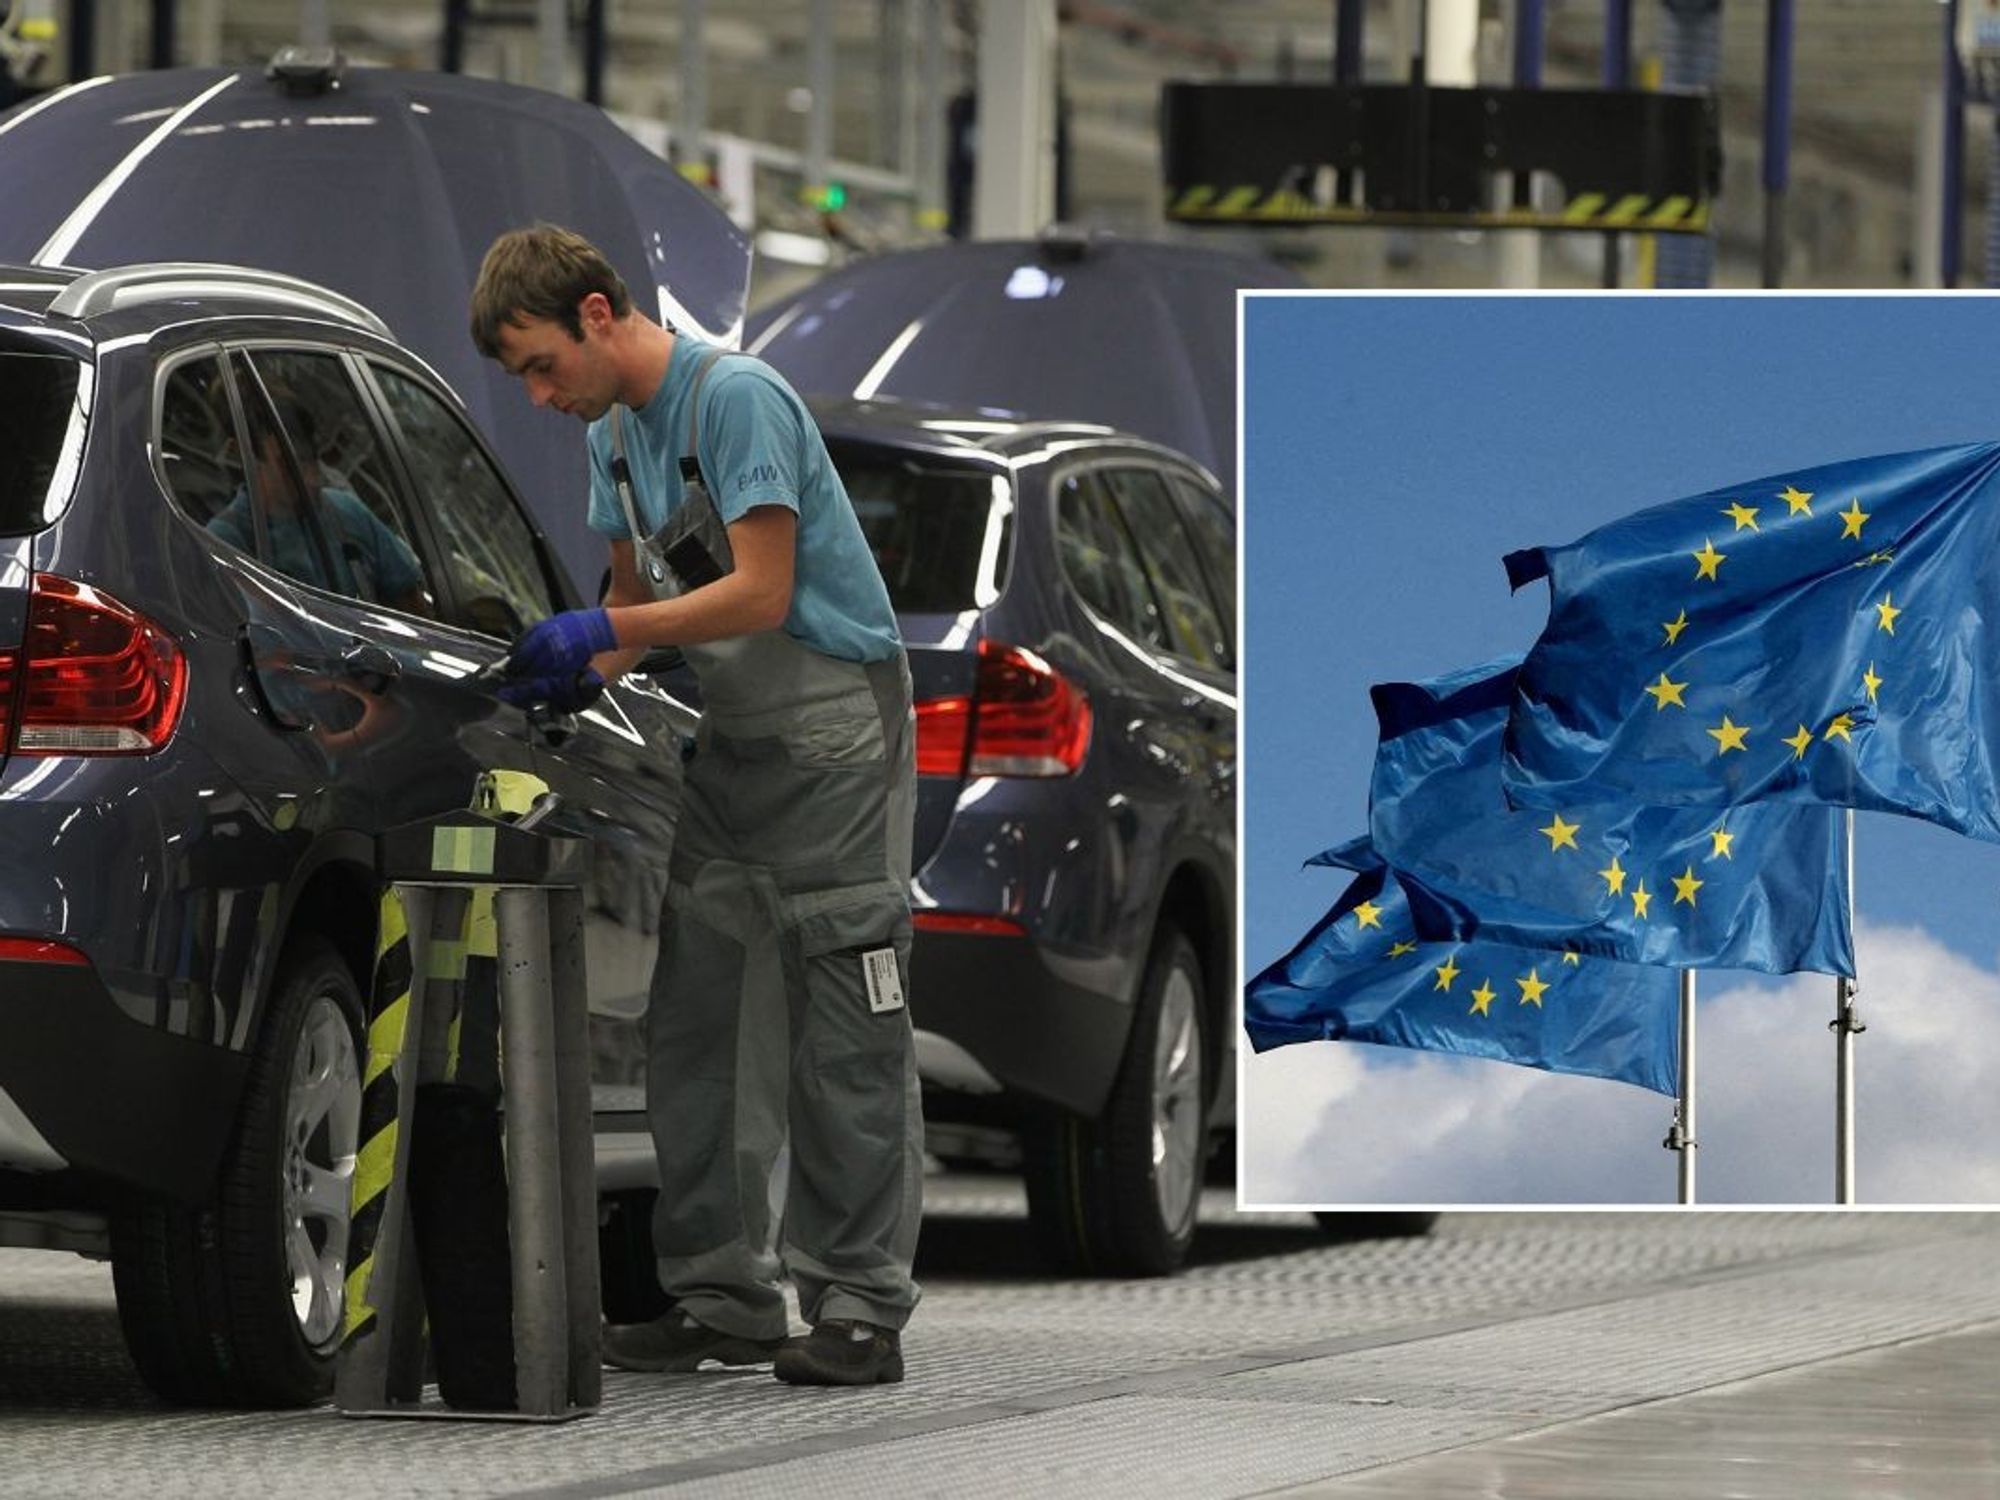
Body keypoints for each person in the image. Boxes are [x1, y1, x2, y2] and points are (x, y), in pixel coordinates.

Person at [469, 224, 921, 1387]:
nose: (539, 395)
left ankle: (858, 1305)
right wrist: (579, 670)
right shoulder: (613, 436)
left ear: (597, 313)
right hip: (733, 744)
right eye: (522, 378)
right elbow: (632, 604)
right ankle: (725, 1296)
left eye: (542, 365)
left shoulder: (737, 402)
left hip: (833, 737)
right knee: (699, 1028)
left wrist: (606, 628)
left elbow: (761, 593)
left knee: (842, 1034)